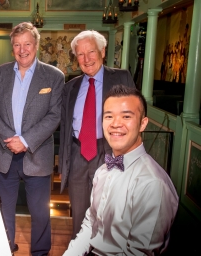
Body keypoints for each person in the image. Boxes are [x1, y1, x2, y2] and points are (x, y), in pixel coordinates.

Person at [63, 85, 179, 255]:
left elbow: (139, 253)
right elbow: (90, 224)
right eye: (109, 116)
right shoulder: (103, 171)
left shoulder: (153, 184)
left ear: (142, 124)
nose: (116, 124)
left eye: (126, 116)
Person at [0, 22, 64, 255]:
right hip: (5, 153)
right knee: (4, 210)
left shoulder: (53, 76)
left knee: (40, 212)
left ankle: (40, 252)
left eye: (27, 44)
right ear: (12, 48)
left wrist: (26, 140)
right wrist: (9, 137)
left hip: (37, 155)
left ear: (36, 45)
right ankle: (5, 248)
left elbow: (54, 115)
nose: (22, 50)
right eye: (17, 45)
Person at [58, 30, 136, 237]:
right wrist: (63, 164)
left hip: (109, 152)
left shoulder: (121, 78)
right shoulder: (70, 87)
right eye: (80, 55)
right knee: (80, 217)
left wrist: (130, 158)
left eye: (91, 51)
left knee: (109, 213)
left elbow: (135, 115)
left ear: (102, 50)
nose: (86, 59)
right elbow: (65, 127)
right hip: (77, 154)